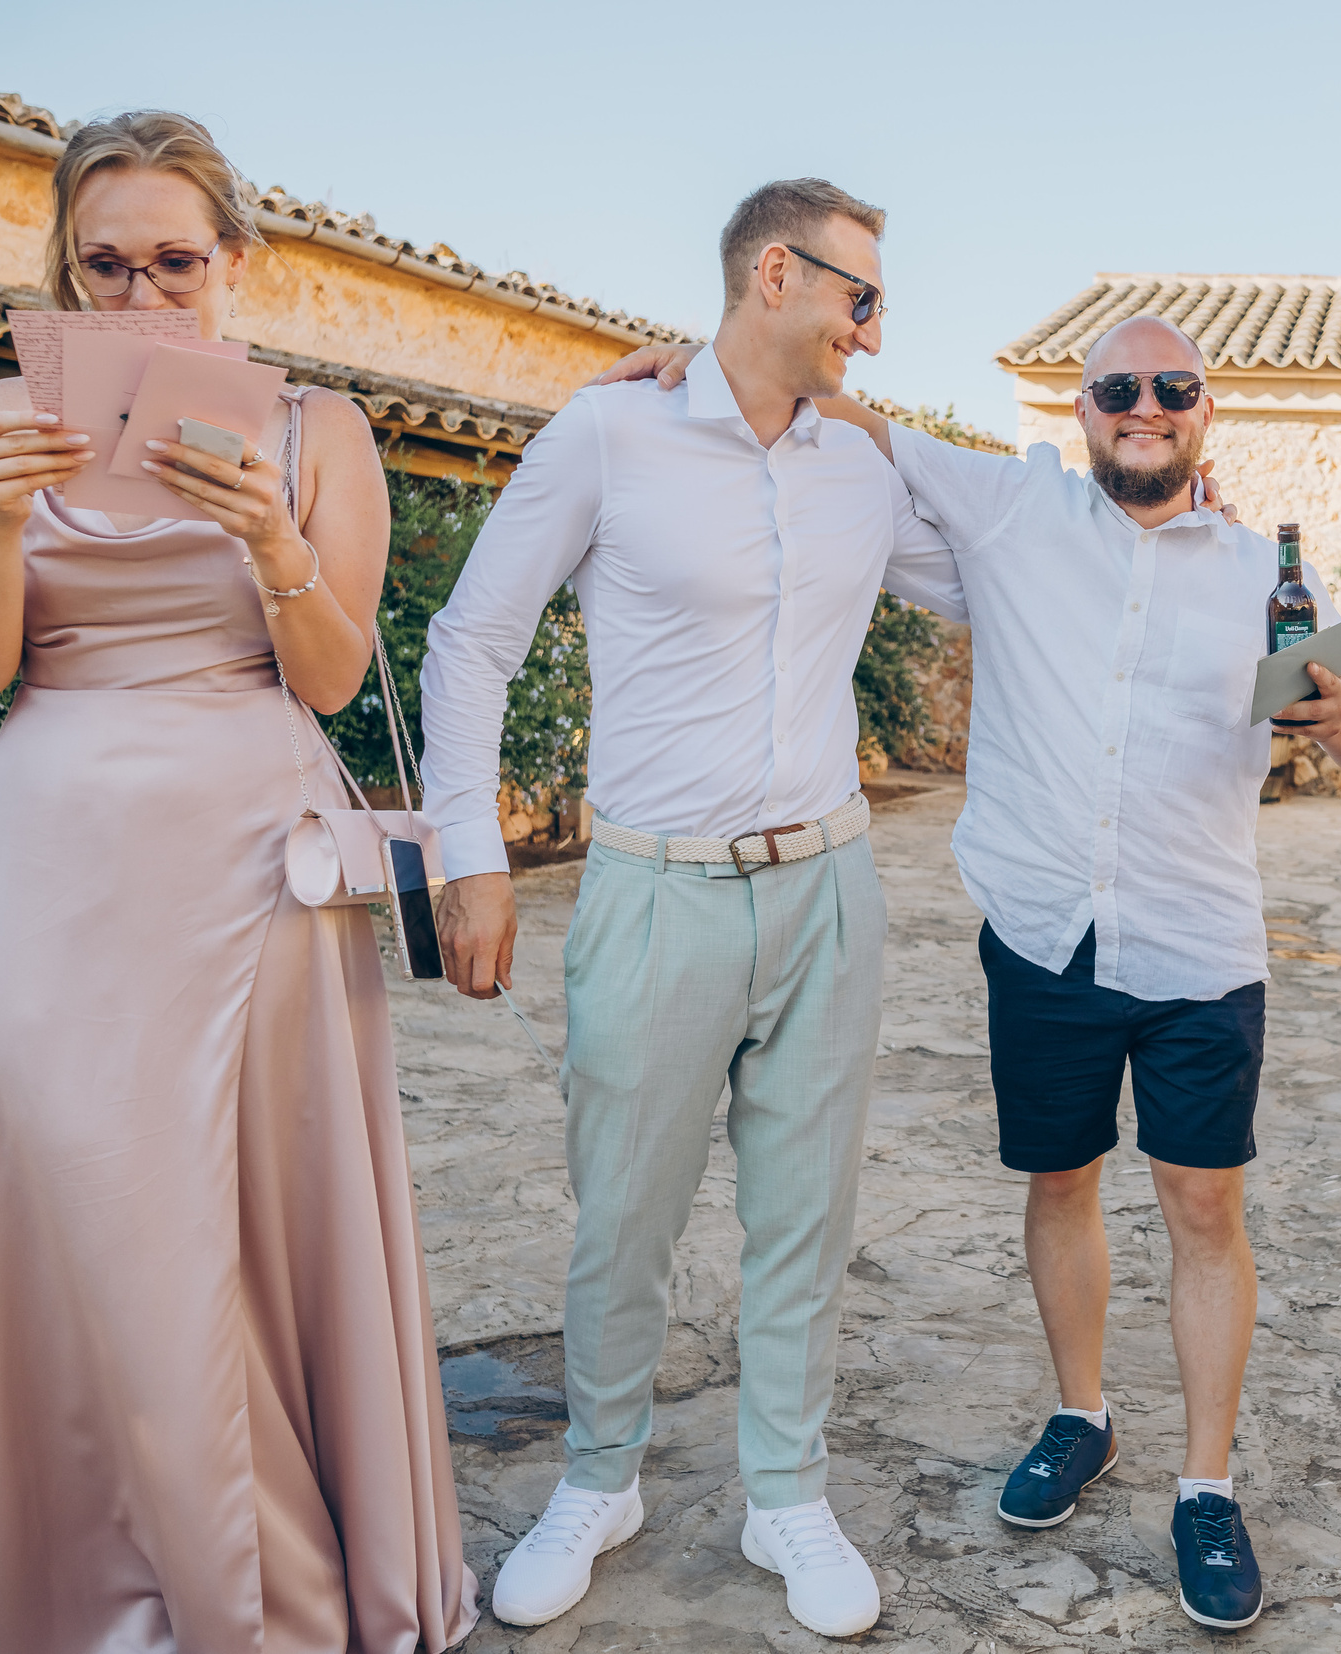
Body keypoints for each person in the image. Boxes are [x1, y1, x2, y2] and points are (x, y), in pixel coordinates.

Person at [596, 314, 1341, 1631]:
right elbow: (861, 426)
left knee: (1205, 1206)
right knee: (1060, 1176)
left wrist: (1336, 711)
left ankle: (1206, 1485)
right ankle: (1080, 1412)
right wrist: (712, 355)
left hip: (1201, 941)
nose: (1143, 406)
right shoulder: (1012, 509)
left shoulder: (1269, 569)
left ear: (1208, 410)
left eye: (1173, 388)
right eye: (1117, 388)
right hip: (1044, 931)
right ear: (1081, 409)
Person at [0, 112, 477, 1652]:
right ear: (66, 274)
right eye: (104, 265)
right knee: (82, 1209)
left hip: (249, 870)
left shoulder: (323, 430)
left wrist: (272, 541)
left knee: (232, 1218)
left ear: (235, 262)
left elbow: (327, 671)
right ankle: (85, 1574)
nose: (142, 294)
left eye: (176, 258)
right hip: (54, 864)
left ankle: (269, 1583)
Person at [419, 179, 965, 1640]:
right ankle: (600, 1477)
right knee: (625, 1214)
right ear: (775, 273)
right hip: (654, 891)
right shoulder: (609, 429)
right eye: (862, 296)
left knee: (806, 1214)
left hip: (831, 888)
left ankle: (787, 1488)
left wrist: (1169, 524)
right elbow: (473, 636)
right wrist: (468, 852)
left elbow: (1006, 578)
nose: (873, 326)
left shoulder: (869, 467)